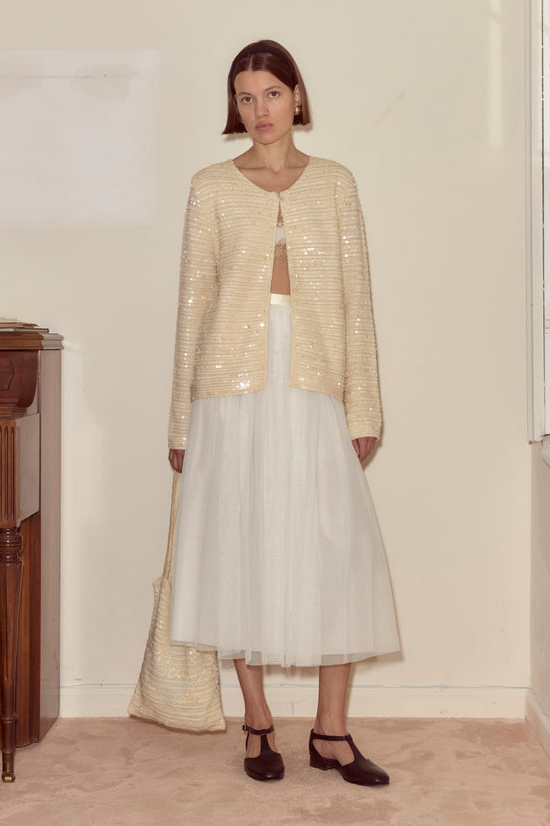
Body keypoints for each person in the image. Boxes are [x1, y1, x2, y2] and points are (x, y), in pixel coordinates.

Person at [167, 39, 400, 785]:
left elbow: (356, 303)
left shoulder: (334, 183)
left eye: (271, 93)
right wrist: (181, 422)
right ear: (232, 107)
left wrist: (363, 405)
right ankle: (257, 720)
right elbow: (192, 307)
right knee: (240, 542)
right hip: (228, 392)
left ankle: (332, 733)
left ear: (297, 97)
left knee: (336, 549)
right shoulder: (209, 187)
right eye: (244, 96)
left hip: (313, 384)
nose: (259, 110)